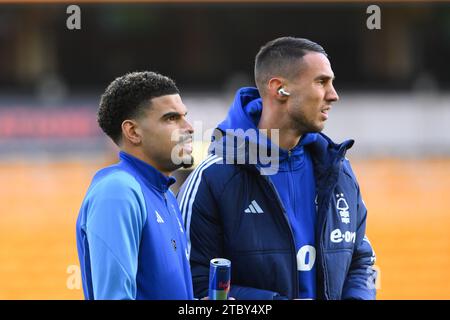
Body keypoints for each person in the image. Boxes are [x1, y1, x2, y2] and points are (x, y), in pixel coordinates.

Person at [177, 37, 377, 300]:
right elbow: (194, 285)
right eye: (321, 82)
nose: (333, 95)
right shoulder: (213, 177)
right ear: (279, 89)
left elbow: (363, 261)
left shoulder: (339, 171)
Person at [76, 71, 195, 300]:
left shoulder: (166, 196)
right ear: (133, 132)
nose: (189, 127)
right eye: (171, 118)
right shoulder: (118, 191)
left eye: (184, 116)